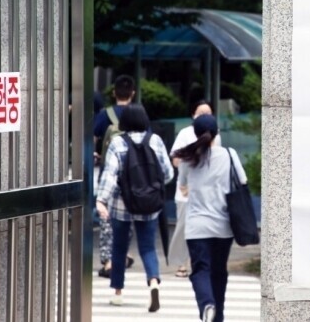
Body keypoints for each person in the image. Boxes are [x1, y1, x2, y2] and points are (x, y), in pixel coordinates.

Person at [96, 104, 174, 311]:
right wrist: (151, 187)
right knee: (148, 247)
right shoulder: (155, 141)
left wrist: (101, 200)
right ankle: (153, 283)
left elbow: (110, 175)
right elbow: (168, 173)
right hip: (149, 204)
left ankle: (118, 293)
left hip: (122, 205)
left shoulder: (117, 142)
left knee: (119, 247)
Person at [175, 114, 247, 322]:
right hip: (224, 226)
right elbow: (243, 181)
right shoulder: (229, 154)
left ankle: (207, 304)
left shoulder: (188, 158)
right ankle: (218, 317)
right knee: (219, 272)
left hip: (197, 227)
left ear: (195, 133)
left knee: (200, 270)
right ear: (217, 133)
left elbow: (182, 185)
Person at [168, 100, 221, 278]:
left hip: (207, 193)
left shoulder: (216, 135)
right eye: (201, 113)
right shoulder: (185, 133)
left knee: (204, 230)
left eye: (208, 113)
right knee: (183, 227)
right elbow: (176, 160)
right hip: (186, 194)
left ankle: (197, 262)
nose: (205, 116)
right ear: (193, 115)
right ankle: (181, 263)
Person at [93, 75, 136, 278]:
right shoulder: (138, 114)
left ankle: (109, 261)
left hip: (108, 173)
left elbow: (93, 138)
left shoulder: (104, 115)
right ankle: (124, 254)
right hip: (132, 175)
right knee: (128, 217)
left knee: (106, 218)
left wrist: (96, 153)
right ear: (133, 93)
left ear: (113, 93)